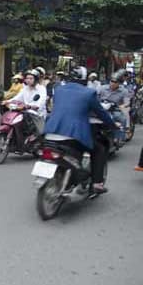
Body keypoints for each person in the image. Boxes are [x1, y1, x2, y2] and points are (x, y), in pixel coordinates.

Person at [44, 66, 117, 194]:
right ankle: (97, 183)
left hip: (50, 131)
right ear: (85, 79)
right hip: (73, 135)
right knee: (99, 149)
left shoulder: (58, 89)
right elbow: (101, 112)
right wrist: (112, 125)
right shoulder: (89, 93)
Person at [4, 70, 47, 138]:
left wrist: (31, 106)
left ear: (35, 79)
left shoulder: (41, 89)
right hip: (25, 112)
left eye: (31, 78)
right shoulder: (25, 88)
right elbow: (18, 97)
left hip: (37, 115)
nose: (28, 80)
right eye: (27, 78)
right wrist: (7, 101)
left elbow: (40, 103)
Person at [98, 73, 129, 142]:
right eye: (112, 81)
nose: (113, 83)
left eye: (115, 82)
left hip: (114, 110)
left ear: (119, 83)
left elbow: (127, 102)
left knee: (122, 119)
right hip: (101, 109)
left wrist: (122, 106)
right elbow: (94, 96)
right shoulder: (102, 88)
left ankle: (118, 138)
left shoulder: (124, 91)